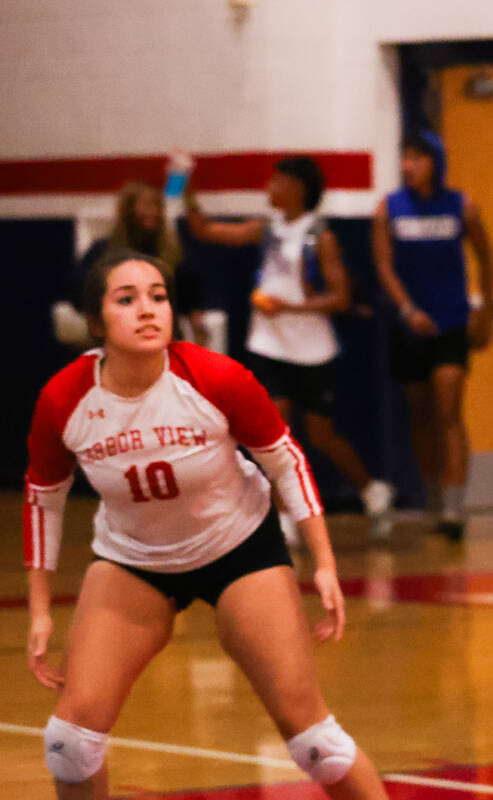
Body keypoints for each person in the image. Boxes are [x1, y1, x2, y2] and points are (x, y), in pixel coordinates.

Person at [23, 251, 389, 799]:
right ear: (96, 324)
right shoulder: (64, 400)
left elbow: (286, 462)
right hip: (134, 560)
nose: (147, 310)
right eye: (126, 300)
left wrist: (326, 563)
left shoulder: (214, 376)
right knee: (68, 743)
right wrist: (39, 610)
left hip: (238, 549)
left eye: (158, 296)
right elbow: (41, 500)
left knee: (316, 744)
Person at [186, 157, 394, 540]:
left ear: (298, 187)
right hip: (268, 346)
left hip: (312, 351)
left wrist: (290, 307)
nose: (270, 185)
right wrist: (183, 185)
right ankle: (284, 518)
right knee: (275, 433)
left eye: (278, 179)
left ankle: (371, 488)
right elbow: (203, 229)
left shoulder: (321, 237)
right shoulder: (266, 229)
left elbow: (341, 297)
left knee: (321, 436)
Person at [372, 131, 493, 540]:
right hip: (410, 325)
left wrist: (487, 311)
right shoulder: (388, 209)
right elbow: (384, 266)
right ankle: (430, 498)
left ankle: (454, 509)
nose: (408, 165)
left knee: (449, 409)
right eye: (404, 157)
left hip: (451, 323)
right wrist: (407, 309)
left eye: (417, 158)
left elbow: (486, 257)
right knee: (421, 415)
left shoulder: (461, 206)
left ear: (434, 162)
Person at [58, 182, 210, 349]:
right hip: (116, 344)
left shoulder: (171, 255)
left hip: (164, 344)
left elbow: (192, 298)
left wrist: (199, 332)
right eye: (146, 205)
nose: (153, 212)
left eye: (157, 206)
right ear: (128, 211)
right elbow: (78, 293)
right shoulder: (102, 253)